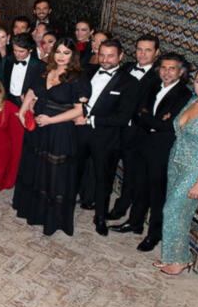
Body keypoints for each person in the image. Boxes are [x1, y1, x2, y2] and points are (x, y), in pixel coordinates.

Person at [14, 39, 90, 236]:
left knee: (55, 176)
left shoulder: (78, 78)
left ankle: (53, 220)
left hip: (60, 131)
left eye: (66, 53)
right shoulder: (45, 70)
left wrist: (51, 120)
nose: (61, 56)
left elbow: (78, 111)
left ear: (73, 55)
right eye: (58, 52)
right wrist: (22, 111)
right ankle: (35, 213)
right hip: (39, 129)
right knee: (37, 171)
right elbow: (32, 91)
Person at [123, 53, 192, 252]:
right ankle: (134, 222)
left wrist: (147, 117)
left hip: (162, 149)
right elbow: (138, 112)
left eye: (172, 68)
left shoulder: (184, 95)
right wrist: (151, 118)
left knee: (157, 193)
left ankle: (154, 234)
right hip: (142, 142)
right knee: (139, 185)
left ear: (181, 71)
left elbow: (168, 126)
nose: (166, 72)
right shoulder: (152, 85)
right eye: (163, 67)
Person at [72, 39, 137, 233]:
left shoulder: (129, 82)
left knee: (103, 180)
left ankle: (100, 218)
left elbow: (123, 117)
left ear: (120, 56)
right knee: (72, 172)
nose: (105, 59)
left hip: (106, 138)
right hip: (80, 133)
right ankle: (64, 209)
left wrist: (90, 120)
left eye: (110, 55)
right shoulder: (88, 71)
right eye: (102, 55)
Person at [108, 34, 162, 222]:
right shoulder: (127, 68)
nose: (142, 54)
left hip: (136, 132)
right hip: (114, 128)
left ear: (156, 52)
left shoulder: (159, 76)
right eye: (139, 49)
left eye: (148, 50)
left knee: (132, 173)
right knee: (108, 165)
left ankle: (122, 208)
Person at [155, 69, 198, 275]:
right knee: (179, 212)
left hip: (195, 169)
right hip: (175, 161)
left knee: (173, 210)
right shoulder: (192, 101)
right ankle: (177, 257)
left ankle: (178, 260)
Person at [2, 33, 44, 107]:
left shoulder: (40, 66)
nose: (17, 54)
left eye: (21, 51)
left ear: (30, 50)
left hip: (26, 102)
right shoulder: (9, 60)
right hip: (9, 100)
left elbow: (41, 88)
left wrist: (33, 100)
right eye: (15, 50)